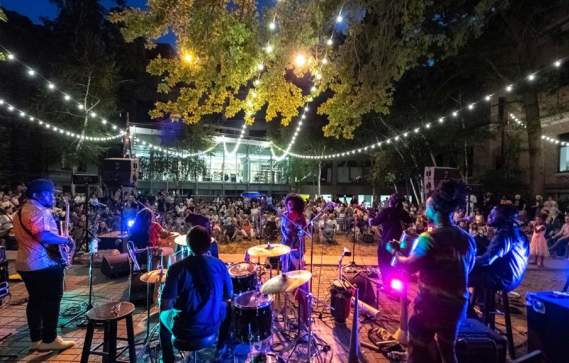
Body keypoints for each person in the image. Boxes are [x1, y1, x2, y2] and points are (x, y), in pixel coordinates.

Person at [390, 180, 476, 363]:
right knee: (448, 352)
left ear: (435, 209)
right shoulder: (467, 239)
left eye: (427, 205)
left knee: (417, 350)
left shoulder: (428, 238)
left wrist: (396, 251)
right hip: (456, 308)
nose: (424, 209)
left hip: (431, 307)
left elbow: (408, 266)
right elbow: (469, 268)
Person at [12, 179, 75, 351]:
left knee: (35, 301)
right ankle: (50, 339)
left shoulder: (20, 212)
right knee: (52, 300)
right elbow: (43, 236)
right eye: (49, 193)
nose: (53, 197)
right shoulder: (39, 211)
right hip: (42, 264)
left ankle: (36, 339)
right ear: (37, 195)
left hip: (25, 263)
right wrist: (65, 239)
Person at [160, 226, 233, 363]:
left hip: (184, 331)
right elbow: (229, 294)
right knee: (228, 307)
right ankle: (221, 349)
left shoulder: (176, 269)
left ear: (188, 244)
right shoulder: (220, 265)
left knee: (162, 316)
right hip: (212, 326)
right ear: (209, 244)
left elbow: (165, 305)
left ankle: (167, 358)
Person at [469, 205, 529, 293]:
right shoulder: (516, 231)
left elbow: (486, 260)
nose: (489, 216)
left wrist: (464, 261)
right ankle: (479, 299)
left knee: (459, 274)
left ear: (503, 216)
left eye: (493, 214)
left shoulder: (505, 234)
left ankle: (467, 303)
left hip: (503, 278)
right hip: (513, 276)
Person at [369, 193, 413, 284]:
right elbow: (410, 223)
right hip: (399, 243)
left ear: (392, 202)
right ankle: (396, 283)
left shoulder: (386, 211)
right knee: (397, 264)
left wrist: (370, 219)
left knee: (383, 263)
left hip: (387, 242)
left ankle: (386, 284)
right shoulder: (404, 213)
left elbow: (374, 222)